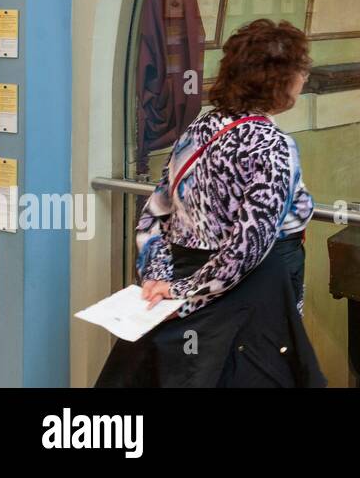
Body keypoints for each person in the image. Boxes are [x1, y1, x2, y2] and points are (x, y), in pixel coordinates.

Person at [96, 19, 325, 388]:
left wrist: (158, 277)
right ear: (279, 79)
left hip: (189, 278)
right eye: (301, 69)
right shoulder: (272, 145)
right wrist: (182, 293)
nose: (304, 78)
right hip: (253, 293)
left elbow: (154, 213)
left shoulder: (200, 128)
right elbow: (246, 249)